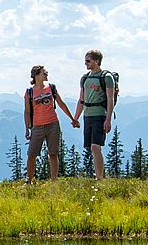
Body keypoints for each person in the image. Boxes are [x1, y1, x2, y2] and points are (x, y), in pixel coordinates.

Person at [24, 65, 78, 183]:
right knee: (32, 154)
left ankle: (54, 181)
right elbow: (27, 111)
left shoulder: (51, 88)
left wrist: (72, 118)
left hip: (53, 124)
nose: (47, 74)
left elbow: (61, 103)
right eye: (44, 72)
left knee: (53, 153)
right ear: (37, 75)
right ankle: (29, 180)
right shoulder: (29, 92)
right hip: (37, 126)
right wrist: (27, 128)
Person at [73, 50, 115, 180]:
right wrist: (76, 117)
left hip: (99, 115)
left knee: (95, 146)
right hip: (87, 115)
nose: (85, 63)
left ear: (96, 61)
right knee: (92, 147)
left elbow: (110, 99)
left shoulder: (106, 77)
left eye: (88, 61)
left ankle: (100, 178)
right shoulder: (85, 78)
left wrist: (108, 119)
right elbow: (81, 99)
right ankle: (99, 176)